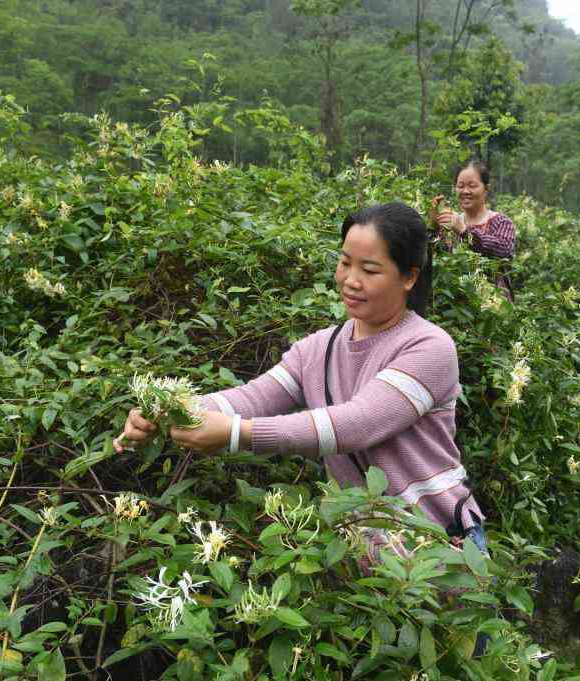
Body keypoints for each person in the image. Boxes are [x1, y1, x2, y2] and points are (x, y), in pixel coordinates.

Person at [115, 202, 487, 552]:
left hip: (438, 544)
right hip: (365, 549)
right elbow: (252, 398)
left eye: (370, 270)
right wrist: (168, 410)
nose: (350, 280)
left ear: (408, 277)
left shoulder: (430, 347)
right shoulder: (319, 349)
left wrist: (234, 434)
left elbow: (355, 425)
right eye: (345, 263)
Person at [431, 160, 516, 300]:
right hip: (457, 305)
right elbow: (434, 260)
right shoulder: (451, 223)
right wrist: (433, 225)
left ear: (486, 188)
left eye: (472, 186)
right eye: (460, 186)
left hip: (493, 309)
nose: (465, 191)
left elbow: (502, 250)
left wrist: (464, 231)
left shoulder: (501, 222)